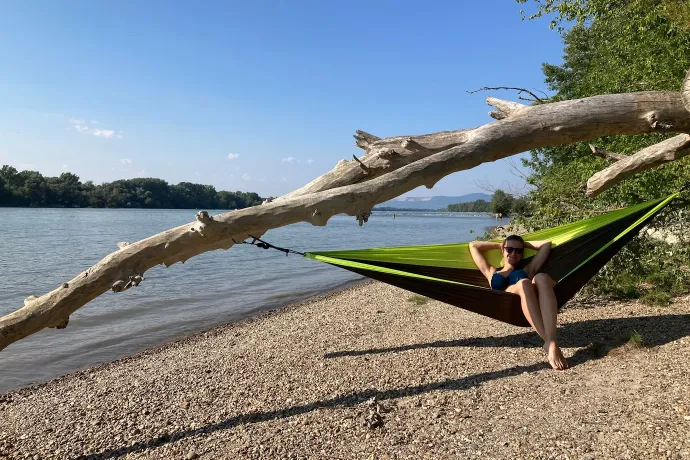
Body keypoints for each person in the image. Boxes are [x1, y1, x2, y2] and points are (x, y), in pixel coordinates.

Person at [469, 235, 569, 370]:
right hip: (508, 300)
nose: (513, 253)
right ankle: (550, 342)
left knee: (541, 277)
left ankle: (550, 342)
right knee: (524, 283)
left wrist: (523, 244)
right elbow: (473, 245)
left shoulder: (527, 270)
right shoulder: (492, 272)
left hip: (531, 297)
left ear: (522, 254)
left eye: (518, 251)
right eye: (509, 249)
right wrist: (499, 244)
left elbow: (546, 244)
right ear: (502, 251)